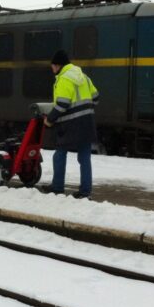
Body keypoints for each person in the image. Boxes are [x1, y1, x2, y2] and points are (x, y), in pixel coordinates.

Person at [44, 49, 99, 198]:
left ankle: (57, 187)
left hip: (70, 125)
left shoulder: (63, 79)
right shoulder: (83, 76)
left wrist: (49, 120)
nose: (52, 69)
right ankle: (85, 191)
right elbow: (96, 97)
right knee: (84, 158)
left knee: (59, 154)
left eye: (53, 66)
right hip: (87, 123)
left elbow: (62, 104)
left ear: (58, 66)